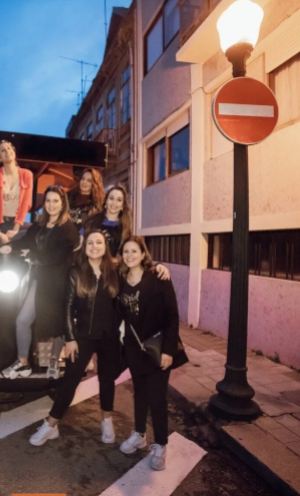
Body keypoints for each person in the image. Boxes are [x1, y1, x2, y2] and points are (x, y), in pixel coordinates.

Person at [29, 230, 122, 446]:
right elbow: (68, 307)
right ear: (85, 246)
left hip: (109, 336)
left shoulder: (115, 271)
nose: (94, 246)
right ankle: (51, 425)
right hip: (82, 337)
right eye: (90, 242)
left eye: (99, 242)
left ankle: (106, 420)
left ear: (105, 246)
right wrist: (70, 338)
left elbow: (139, 271)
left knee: (107, 380)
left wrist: (159, 267)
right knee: (70, 381)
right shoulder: (76, 272)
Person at [117, 236, 188, 470]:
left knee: (157, 398)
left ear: (142, 253)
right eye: (125, 251)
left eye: (134, 251)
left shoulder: (158, 276)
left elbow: (172, 315)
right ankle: (139, 434)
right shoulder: (121, 280)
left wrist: (169, 350)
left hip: (156, 348)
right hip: (133, 348)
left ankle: (161, 444)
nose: (129, 255)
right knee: (140, 394)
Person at [0, 185, 79, 380]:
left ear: (62, 204)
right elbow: (25, 241)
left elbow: (57, 257)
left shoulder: (67, 228)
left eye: (55, 201)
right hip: (39, 280)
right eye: (48, 201)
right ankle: (23, 362)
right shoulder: (39, 225)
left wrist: (33, 255)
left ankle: (53, 361)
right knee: (23, 321)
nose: (51, 205)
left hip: (58, 283)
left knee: (57, 324)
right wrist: (9, 247)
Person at [0, 140, 34, 242]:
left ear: (14, 152)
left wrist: (16, 230)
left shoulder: (27, 175)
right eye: (3, 150)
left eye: (9, 148)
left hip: (17, 223)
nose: (7, 151)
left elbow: (26, 203)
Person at [82, 184, 132, 261]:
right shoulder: (91, 220)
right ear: (106, 201)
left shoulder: (125, 228)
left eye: (119, 200)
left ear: (122, 205)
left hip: (109, 269)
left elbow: (127, 255)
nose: (114, 203)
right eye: (111, 198)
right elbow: (79, 243)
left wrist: (112, 261)